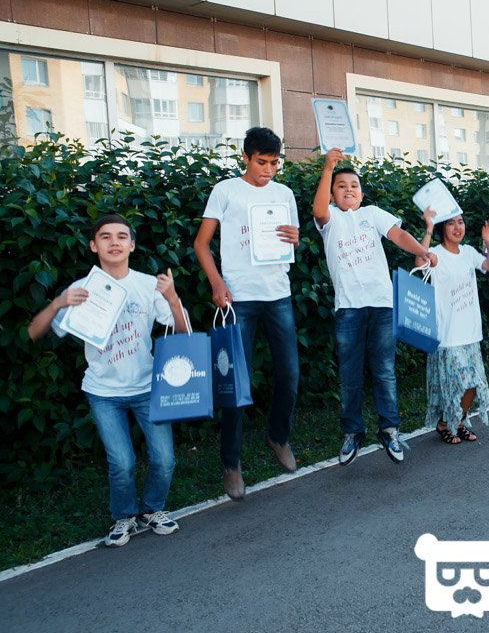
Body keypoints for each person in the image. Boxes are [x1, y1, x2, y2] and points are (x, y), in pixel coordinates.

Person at [27, 215, 189, 547]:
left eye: (121, 236)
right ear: (93, 245)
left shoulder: (148, 284)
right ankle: (124, 516)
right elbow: (33, 331)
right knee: (122, 462)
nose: (114, 242)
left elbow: (185, 333)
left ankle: (152, 509)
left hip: (147, 387)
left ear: (132, 245)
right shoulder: (82, 287)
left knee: (164, 459)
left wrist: (172, 298)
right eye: (105, 236)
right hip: (103, 391)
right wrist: (58, 302)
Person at [193, 126, 301, 500]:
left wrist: (294, 239)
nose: (268, 170)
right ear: (245, 157)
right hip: (238, 297)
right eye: (261, 162)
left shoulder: (284, 194)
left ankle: (278, 437)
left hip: (278, 294)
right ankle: (231, 463)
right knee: (238, 383)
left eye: (274, 163)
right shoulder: (225, 191)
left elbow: (291, 243)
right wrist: (216, 282)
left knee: (290, 374)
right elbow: (201, 244)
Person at [312, 149, 437, 466]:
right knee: (349, 375)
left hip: (382, 304)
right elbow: (319, 209)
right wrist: (328, 168)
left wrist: (423, 251)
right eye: (341, 186)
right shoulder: (330, 219)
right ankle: (352, 432)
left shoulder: (372, 213)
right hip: (348, 308)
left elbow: (399, 235)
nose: (348, 190)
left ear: (362, 193)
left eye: (354, 185)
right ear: (332, 193)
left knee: (384, 372)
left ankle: (389, 430)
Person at [417, 211, 489, 444]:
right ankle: (445, 423)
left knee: (472, 384)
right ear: (443, 228)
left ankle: (458, 421)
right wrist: (428, 228)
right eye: (451, 223)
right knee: (454, 385)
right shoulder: (436, 254)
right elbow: (419, 263)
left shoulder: (469, 253)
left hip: (470, 332)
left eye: (460, 222)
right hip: (447, 334)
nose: (457, 228)